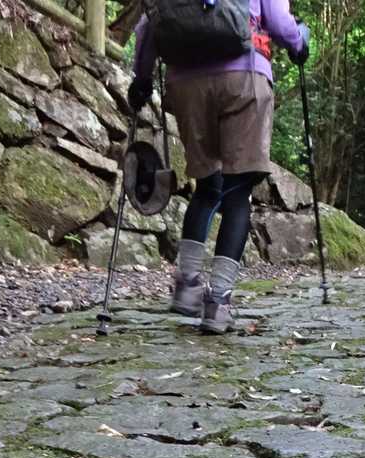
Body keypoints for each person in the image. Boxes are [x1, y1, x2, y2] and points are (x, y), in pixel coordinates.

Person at [129, 1, 310, 335]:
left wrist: (141, 79)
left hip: (186, 85)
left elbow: (147, 26)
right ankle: (218, 302)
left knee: (207, 186)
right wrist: (300, 41)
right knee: (237, 192)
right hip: (244, 76)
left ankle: (187, 285)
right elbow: (279, 23)